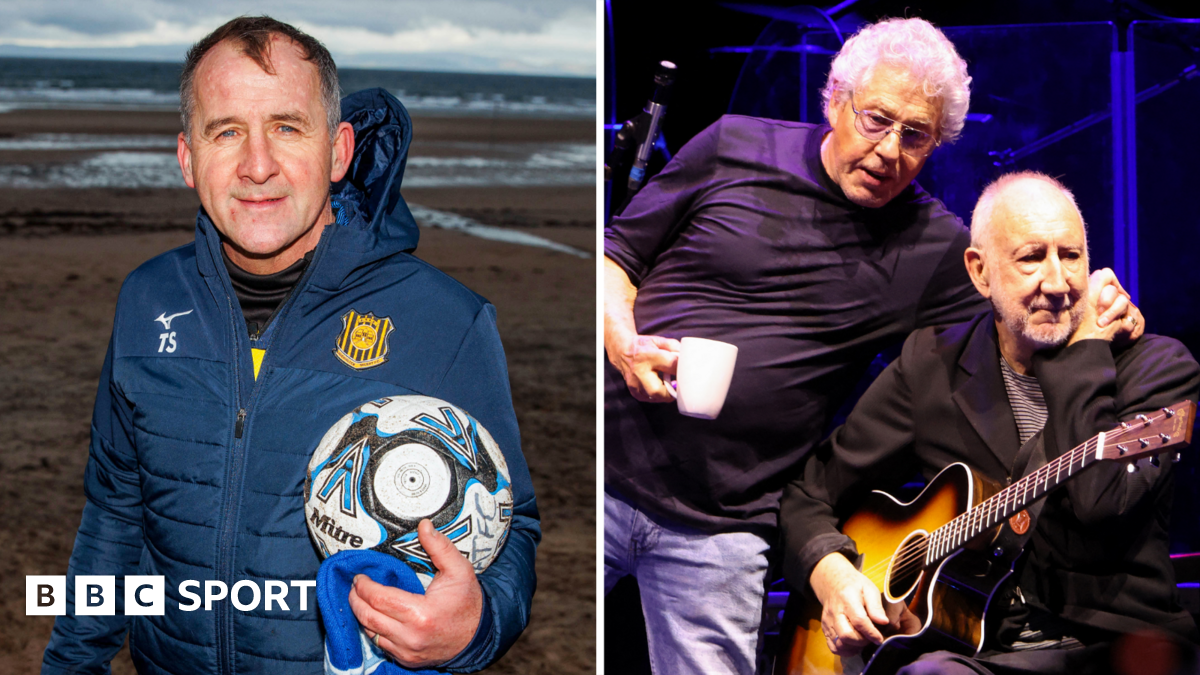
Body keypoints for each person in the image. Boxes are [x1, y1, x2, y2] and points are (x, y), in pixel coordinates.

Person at [603, 17, 1140, 674]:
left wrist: (1097, 304)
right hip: (603, 465)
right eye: (876, 119)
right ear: (836, 101)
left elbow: (1020, 306)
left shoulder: (933, 248)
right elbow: (614, 257)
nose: (890, 150)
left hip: (726, 523)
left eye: (916, 136)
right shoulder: (733, 143)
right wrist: (624, 342)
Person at [42, 16, 538, 674]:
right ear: (188, 158)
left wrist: (478, 622)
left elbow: (512, 529)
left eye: (286, 126)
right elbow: (115, 507)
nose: (257, 165)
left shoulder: (444, 320)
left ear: (337, 150)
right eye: (226, 132)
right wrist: (71, 662)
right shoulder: (147, 298)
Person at [781, 172, 1198, 674]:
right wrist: (832, 577)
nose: (1057, 282)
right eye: (1030, 258)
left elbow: (1098, 500)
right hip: (974, 652)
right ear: (980, 273)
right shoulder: (930, 364)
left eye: (1070, 256)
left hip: (1114, 650)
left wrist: (1084, 353)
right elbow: (811, 495)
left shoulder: (1156, 368)